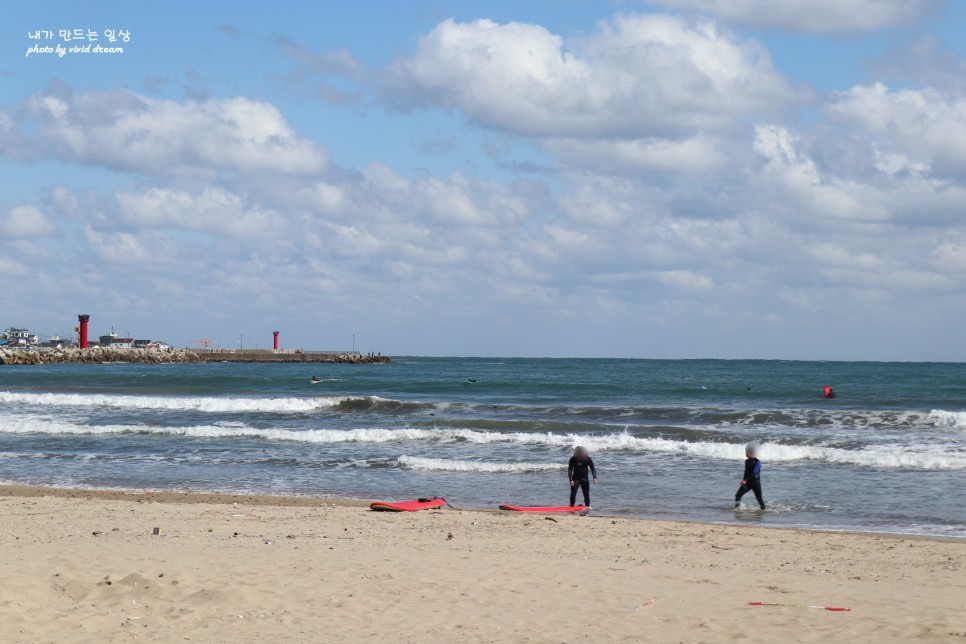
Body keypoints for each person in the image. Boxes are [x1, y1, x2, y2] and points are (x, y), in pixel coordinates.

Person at [734, 443, 765, 510]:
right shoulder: (747, 461)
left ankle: (763, 512)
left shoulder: (757, 462)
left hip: (755, 483)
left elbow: (754, 473)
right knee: (738, 495)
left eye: (752, 451)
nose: (750, 452)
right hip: (747, 482)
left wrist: (745, 480)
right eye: (749, 451)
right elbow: (746, 472)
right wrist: (744, 480)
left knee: (759, 500)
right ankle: (737, 509)